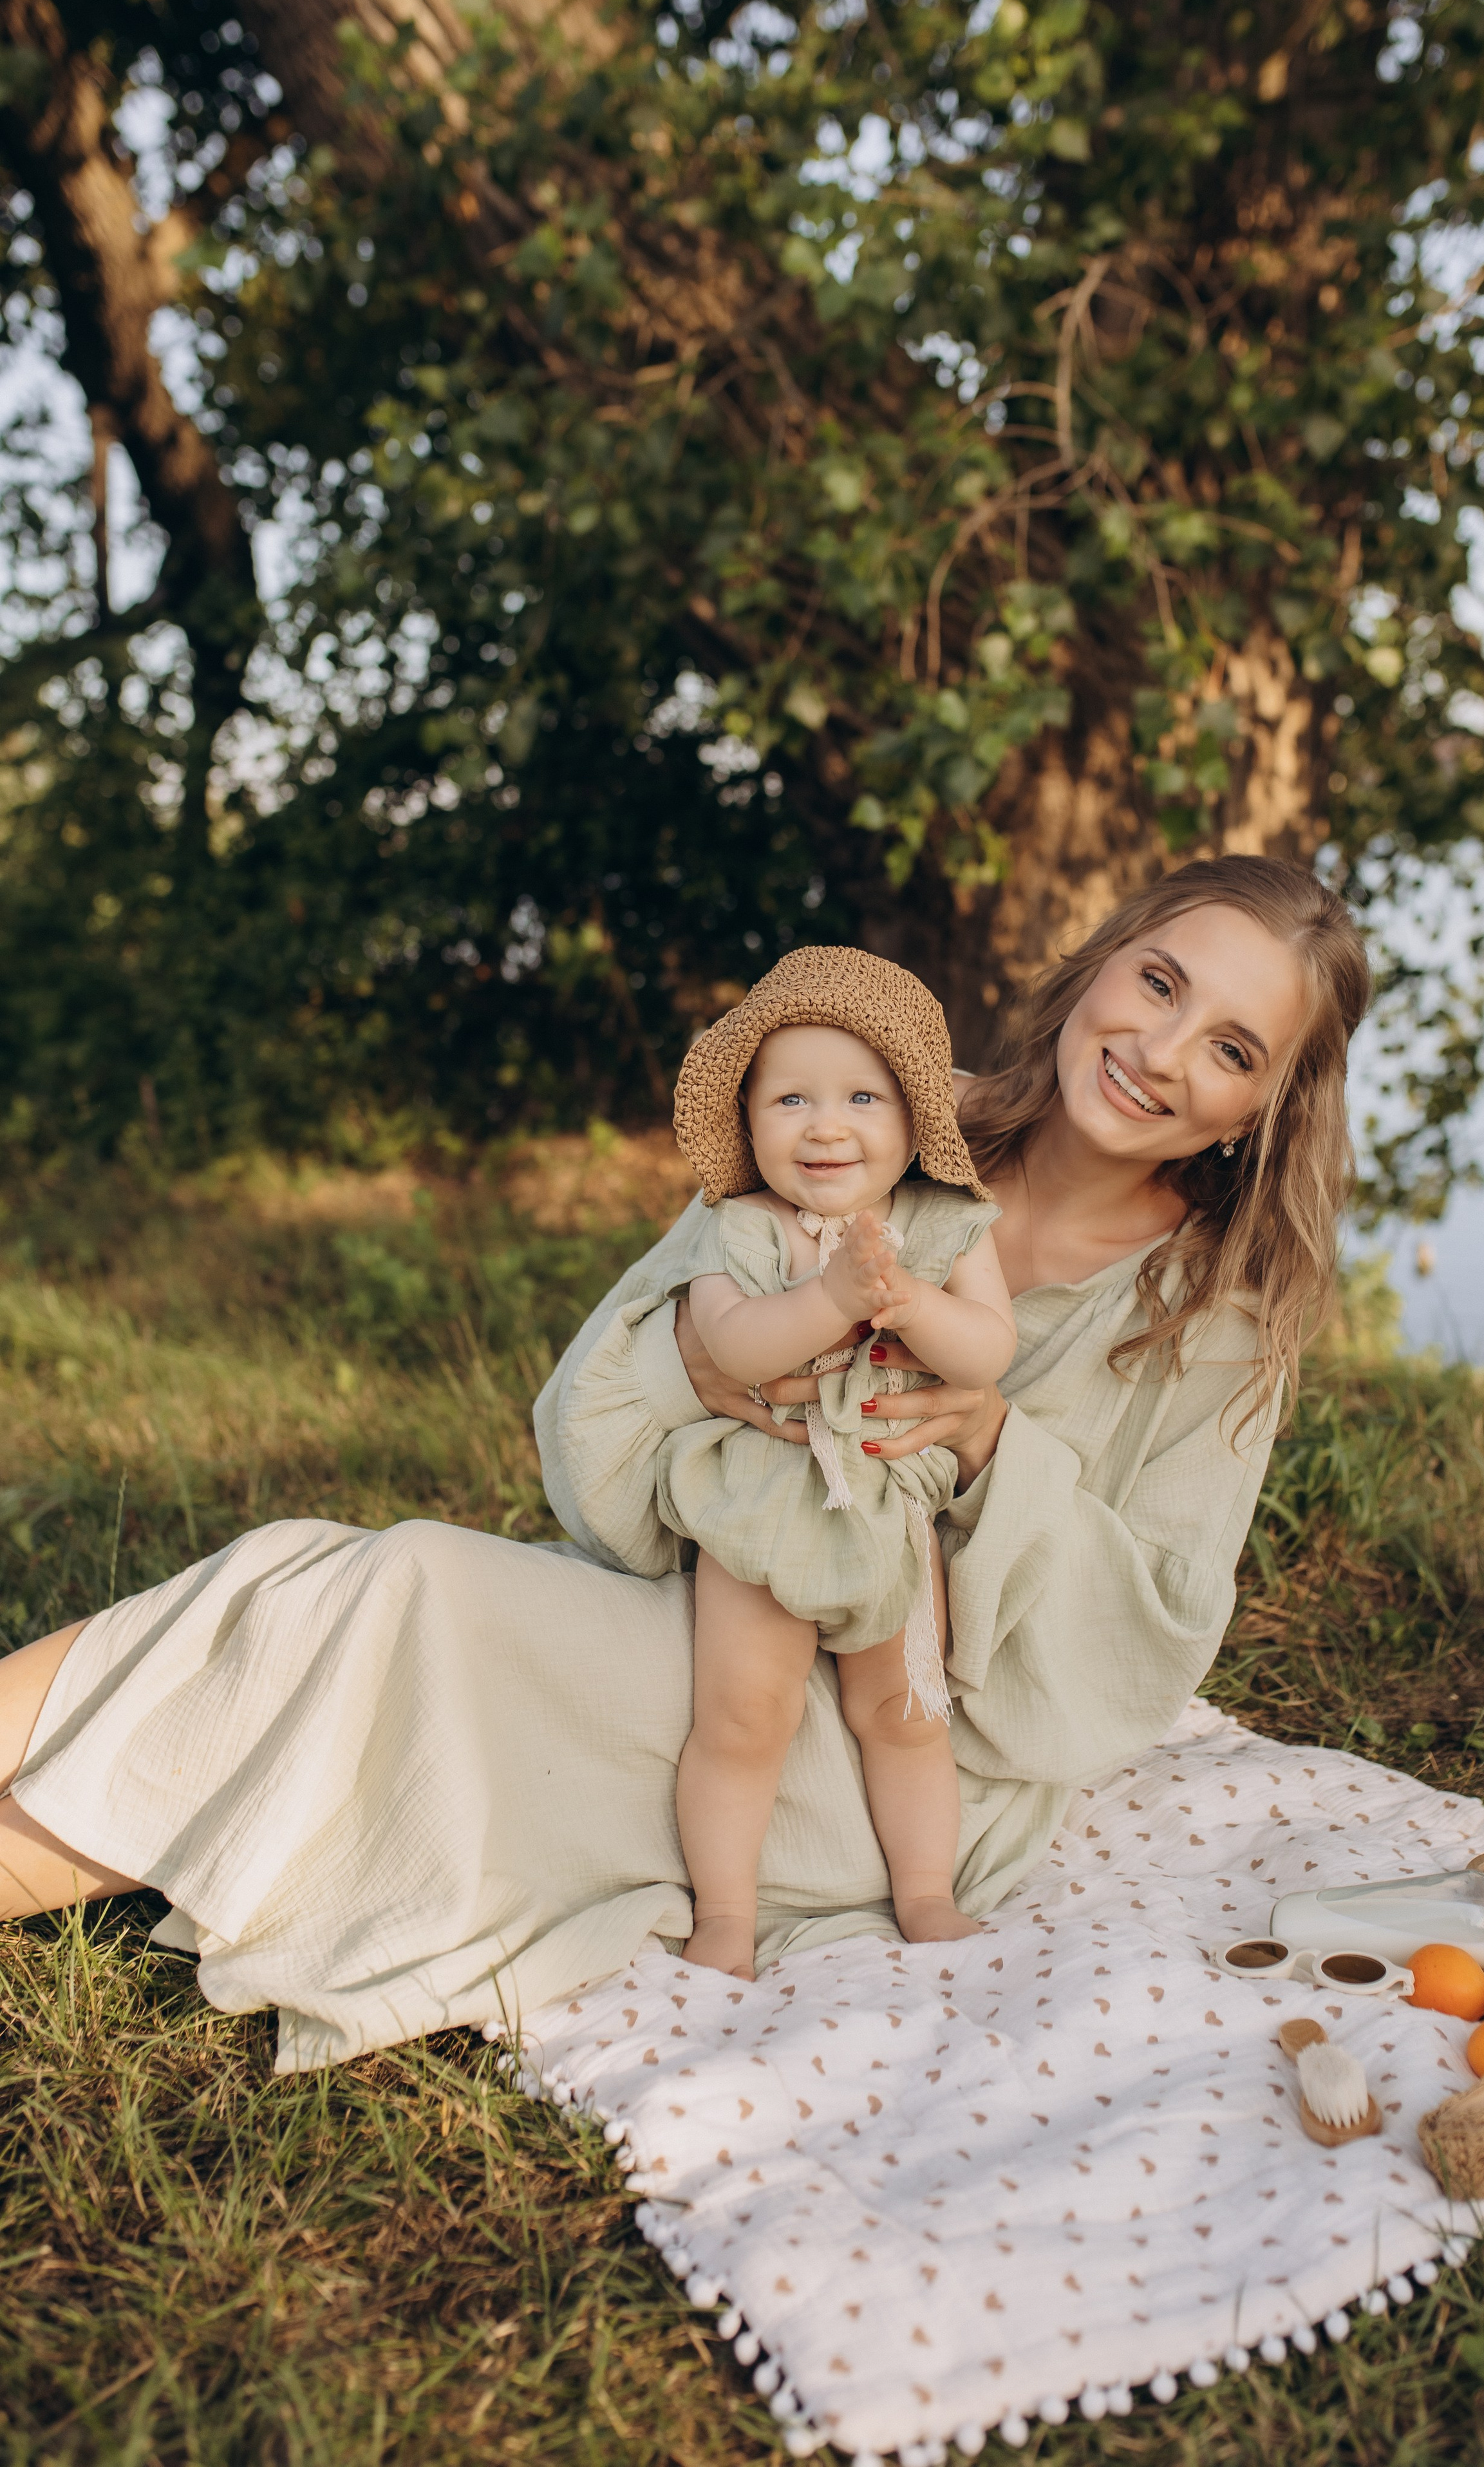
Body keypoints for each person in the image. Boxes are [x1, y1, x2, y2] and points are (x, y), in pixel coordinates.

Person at [0, 856, 1370, 2075]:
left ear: (1260, 1109)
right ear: (1098, 966)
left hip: (901, 1756)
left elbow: (1153, 1634)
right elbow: (593, 1414)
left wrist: (995, 1452)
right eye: (1158, 981)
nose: (1161, 1047)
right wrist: (700, 1367)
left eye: (1231, 1047)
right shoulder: (868, 1111)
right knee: (328, 1586)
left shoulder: (1217, 1316)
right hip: (729, 1623)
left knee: (396, 1598)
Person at [554, 947, 1018, 1977]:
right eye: (790, 1099)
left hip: (889, 1516)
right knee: (740, 1718)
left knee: (906, 1715)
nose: (825, 1125)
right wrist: (835, 1300)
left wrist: (911, 1302)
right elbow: (735, 1345)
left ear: (914, 1121)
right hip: (762, 1511)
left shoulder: (945, 1226)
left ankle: (927, 1894)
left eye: (862, 1095)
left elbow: (989, 1353)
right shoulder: (742, 1224)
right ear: (749, 1121)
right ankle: (725, 1914)